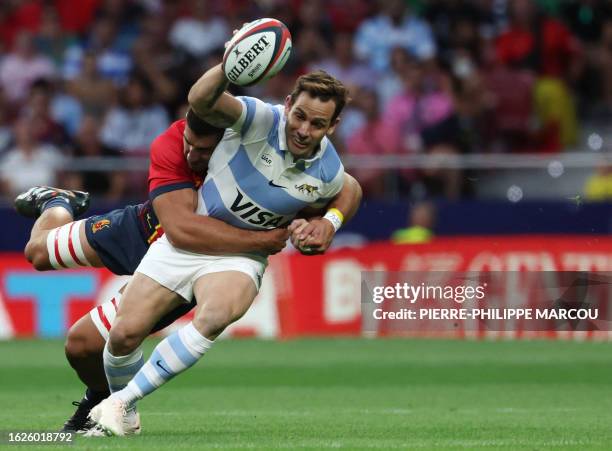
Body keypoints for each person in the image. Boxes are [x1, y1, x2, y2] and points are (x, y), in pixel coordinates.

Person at [15, 116, 361, 433]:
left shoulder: (252, 154)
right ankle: (58, 201)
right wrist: (263, 239)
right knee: (38, 253)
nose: (193, 154)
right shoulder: (173, 141)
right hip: (143, 228)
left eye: (203, 150)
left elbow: (348, 186)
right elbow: (181, 227)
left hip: (190, 262)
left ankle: (101, 403)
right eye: (190, 145)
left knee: (81, 345)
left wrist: (327, 221)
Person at [88, 65, 358, 436]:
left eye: (317, 124)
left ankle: (118, 402)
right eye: (299, 116)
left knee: (215, 315)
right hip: (192, 240)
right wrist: (230, 61)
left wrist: (330, 223)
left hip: (242, 255)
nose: (304, 130)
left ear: (333, 126)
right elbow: (200, 100)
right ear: (288, 104)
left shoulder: (327, 170)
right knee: (122, 337)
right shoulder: (260, 118)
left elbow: (351, 189)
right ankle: (124, 411)